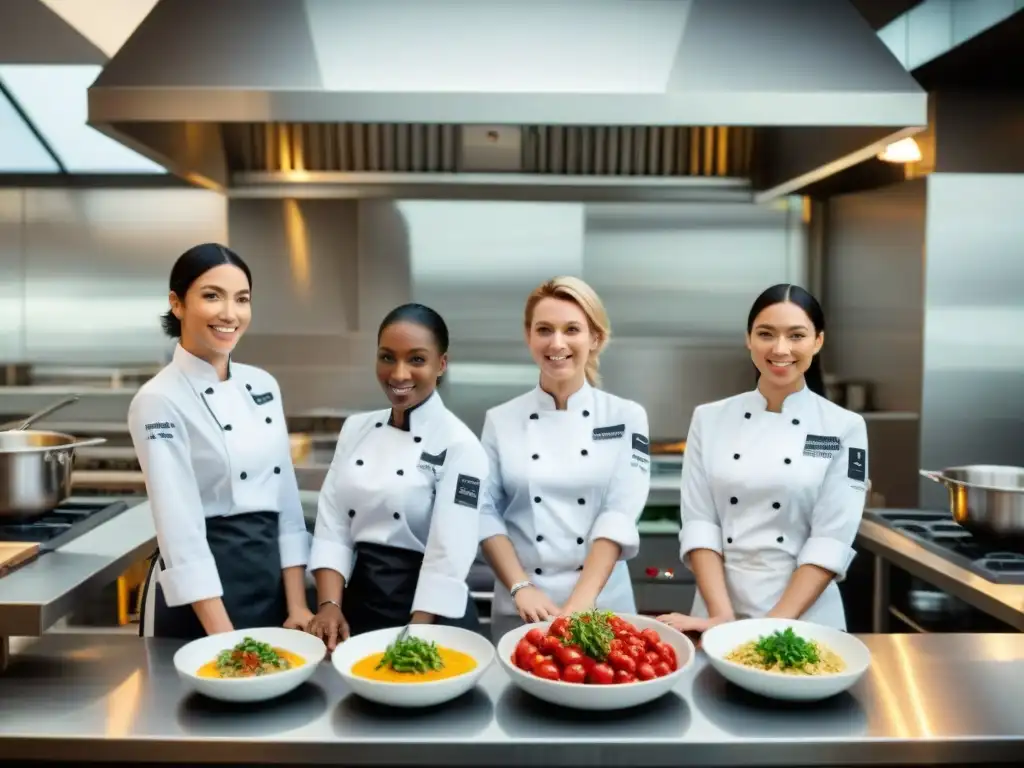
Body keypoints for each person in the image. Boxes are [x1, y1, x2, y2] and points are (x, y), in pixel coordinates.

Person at [659, 283, 869, 635]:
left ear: (817, 341)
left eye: (796, 335)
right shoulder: (709, 419)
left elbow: (831, 539)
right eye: (766, 334)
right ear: (749, 339)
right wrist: (724, 618)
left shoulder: (845, 427)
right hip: (716, 613)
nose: (780, 348)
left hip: (805, 622)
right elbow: (700, 523)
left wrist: (770, 628)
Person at [130, 243, 312, 639]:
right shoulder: (158, 400)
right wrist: (225, 639)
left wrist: (297, 605)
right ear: (177, 304)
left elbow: (286, 500)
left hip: (271, 584)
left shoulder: (263, 384)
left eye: (242, 299)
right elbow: (178, 526)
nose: (230, 314)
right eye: (212, 296)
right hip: (201, 602)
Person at [305, 304, 488, 650]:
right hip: (359, 608)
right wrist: (329, 605)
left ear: (441, 364)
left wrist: (414, 637)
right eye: (387, 357)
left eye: (416, 359)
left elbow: (449, 553)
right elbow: (332, 524)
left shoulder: (460, 445)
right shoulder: (355, 429)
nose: (399, 373)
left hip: (431, 617)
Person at [478, 276, 650, 640]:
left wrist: (578, 606)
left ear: (595, 338)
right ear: (529, 337)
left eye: (572, 329)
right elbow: (483, 511)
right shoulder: (500, 419)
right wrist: (520, 586)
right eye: (544, 330)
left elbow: (618, 514)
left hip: (601, 608)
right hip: (522, 609)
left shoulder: (625, 417)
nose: (557, 343)